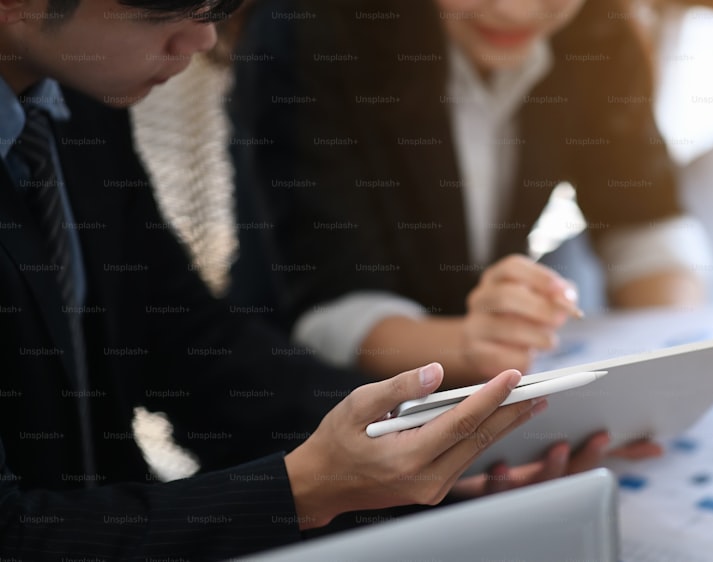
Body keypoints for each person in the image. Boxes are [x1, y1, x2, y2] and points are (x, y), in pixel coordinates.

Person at [0, 0, 612, 558]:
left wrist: (435, 443)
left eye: (217, 6)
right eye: (166, 10)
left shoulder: (73, 97)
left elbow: (184, 339)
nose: (203, 37)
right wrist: (303, 491)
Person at [230, 0, 713, 386]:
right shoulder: (310, 25)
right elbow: (334, 312)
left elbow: (643, 218)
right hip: (298, 402)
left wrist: (669, 362)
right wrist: (472, 347)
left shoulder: (595, 25)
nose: (515, 10)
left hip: (483, 377)